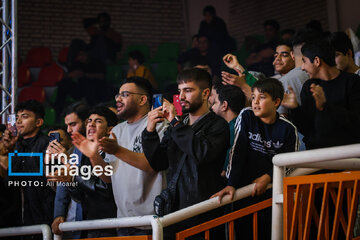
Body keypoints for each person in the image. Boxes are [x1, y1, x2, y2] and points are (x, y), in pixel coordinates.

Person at [75, 77, 168, 236]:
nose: (117, 99)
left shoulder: (158, 124)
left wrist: (117, 150)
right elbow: (107, 177)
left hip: (153, 220)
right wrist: (93, 156)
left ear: (142, 99)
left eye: (124, 94)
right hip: (124, 221)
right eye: (118, 95)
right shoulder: (117, 130)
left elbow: (151, 166)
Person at [142, 68, 229, 237]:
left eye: (188, 90)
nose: (181, 97)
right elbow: (159, 162)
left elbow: (201, 153)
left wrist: (175, 123)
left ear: (205, 93)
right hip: (173, 209)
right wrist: (149, 132)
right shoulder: (178, 125)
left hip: (203, 211)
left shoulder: (218, 125)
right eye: (179, 91)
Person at [212, 78, 298, 239]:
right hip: (243, 190)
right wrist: (231, 184)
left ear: (277, 102)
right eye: (253, 97)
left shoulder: (288, 129)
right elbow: (237, 151)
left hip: (272, 194)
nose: (255, 102)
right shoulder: (247, 116)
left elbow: (290, 165)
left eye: (262, 97)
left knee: (271, 232)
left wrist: (268, 177)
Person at [48, 107, 118, 238]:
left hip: (109, 223)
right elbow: (79, 195)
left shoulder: (116, 151)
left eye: (98, 121)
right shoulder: (81, 153)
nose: (91, 124)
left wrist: (72, 172)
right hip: (86, 224)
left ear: (110, 129)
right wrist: (69, 181)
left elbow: (105, 189)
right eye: (89, 121)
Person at [282, 38, 360, 149]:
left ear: (317, 61)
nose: (302, 68)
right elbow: (308, 130)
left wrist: (326, 106)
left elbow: (356, 123)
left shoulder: (353, 82)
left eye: (304, 61)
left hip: (348, 154)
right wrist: (295, 108)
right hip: (317, 155)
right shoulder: (309, 86)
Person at [2, 100, 54, 235]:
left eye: (25, 116)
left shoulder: (48, 145)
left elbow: (45, 181)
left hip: (43, 217)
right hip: (15, 219)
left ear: (39, 122)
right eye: (17, 117)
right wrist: (8, 152)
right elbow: (9, 182)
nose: (19, 121)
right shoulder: (14, 146)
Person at [51, 103, 89, 238]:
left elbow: (91, 184)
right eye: (67, 125)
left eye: (73, 124)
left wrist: (67, 162)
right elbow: (63, 183)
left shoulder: (101, 146)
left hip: (94, 218)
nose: (68, 130)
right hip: (74, 221)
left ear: (86, 122)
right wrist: (59, 214)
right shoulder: (73, 151)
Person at [211, 84, 246, 177]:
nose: (212, 107)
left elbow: (224, 171)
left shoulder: (232, 129)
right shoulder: (241, 124)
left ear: (224, 105)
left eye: (215, 103)